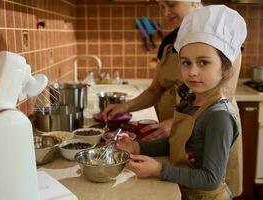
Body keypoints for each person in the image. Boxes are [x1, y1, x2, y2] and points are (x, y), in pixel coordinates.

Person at [115, 5, 247, 200]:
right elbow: (178, 147)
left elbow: (210, 179)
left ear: (226, 69)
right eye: (186, 62)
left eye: (203, 62)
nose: (192, 71)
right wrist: (138, 147)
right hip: (183, 191)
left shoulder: (219, 116)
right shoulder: (188, 102)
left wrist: (159, 170)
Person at [102, 0, 242, 141]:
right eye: (162, 7)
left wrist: (177, 123)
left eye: (171, 4)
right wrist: (125, 107)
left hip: (211, 135)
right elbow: (155, 90)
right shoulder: (169, 41)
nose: (165, 13)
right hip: (171, 135)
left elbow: (224, 95)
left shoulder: (223, 36)